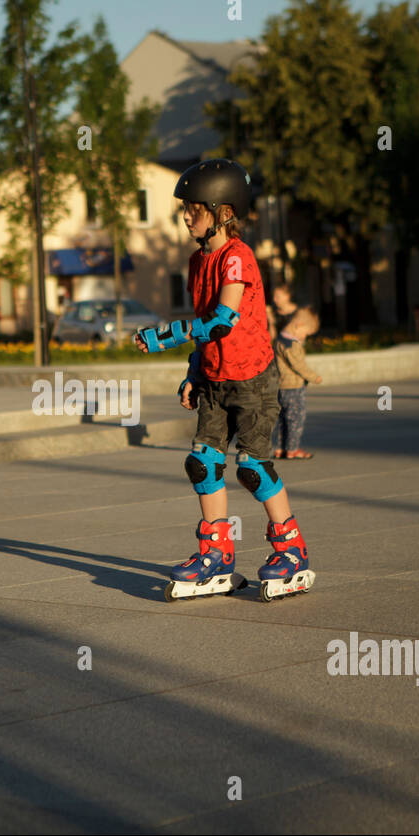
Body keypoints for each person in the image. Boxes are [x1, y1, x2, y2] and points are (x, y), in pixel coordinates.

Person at [134, 158, 314, 602]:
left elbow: (221, 322)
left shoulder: (238, 258)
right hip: (214, 378)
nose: (186, 216)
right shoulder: (198, 261)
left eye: (194, 209)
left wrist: (164, 337)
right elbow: (204, 326)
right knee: (203, 464)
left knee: (252, 468)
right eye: (186, 209)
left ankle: (291, 550)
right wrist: (194, 373)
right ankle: (216, 553)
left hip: (252, 378)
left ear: (224, 212)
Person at [271, 306, 323, 460]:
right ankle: (292, 449)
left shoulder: (280, 339)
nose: (305, 338)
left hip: (281, 386)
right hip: (292, 387)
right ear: (298, 325)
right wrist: (314, 377)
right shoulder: (291, 345)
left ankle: (281, 448)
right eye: (306, 333)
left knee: (283, 419)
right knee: (295, 418)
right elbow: (298, 365)